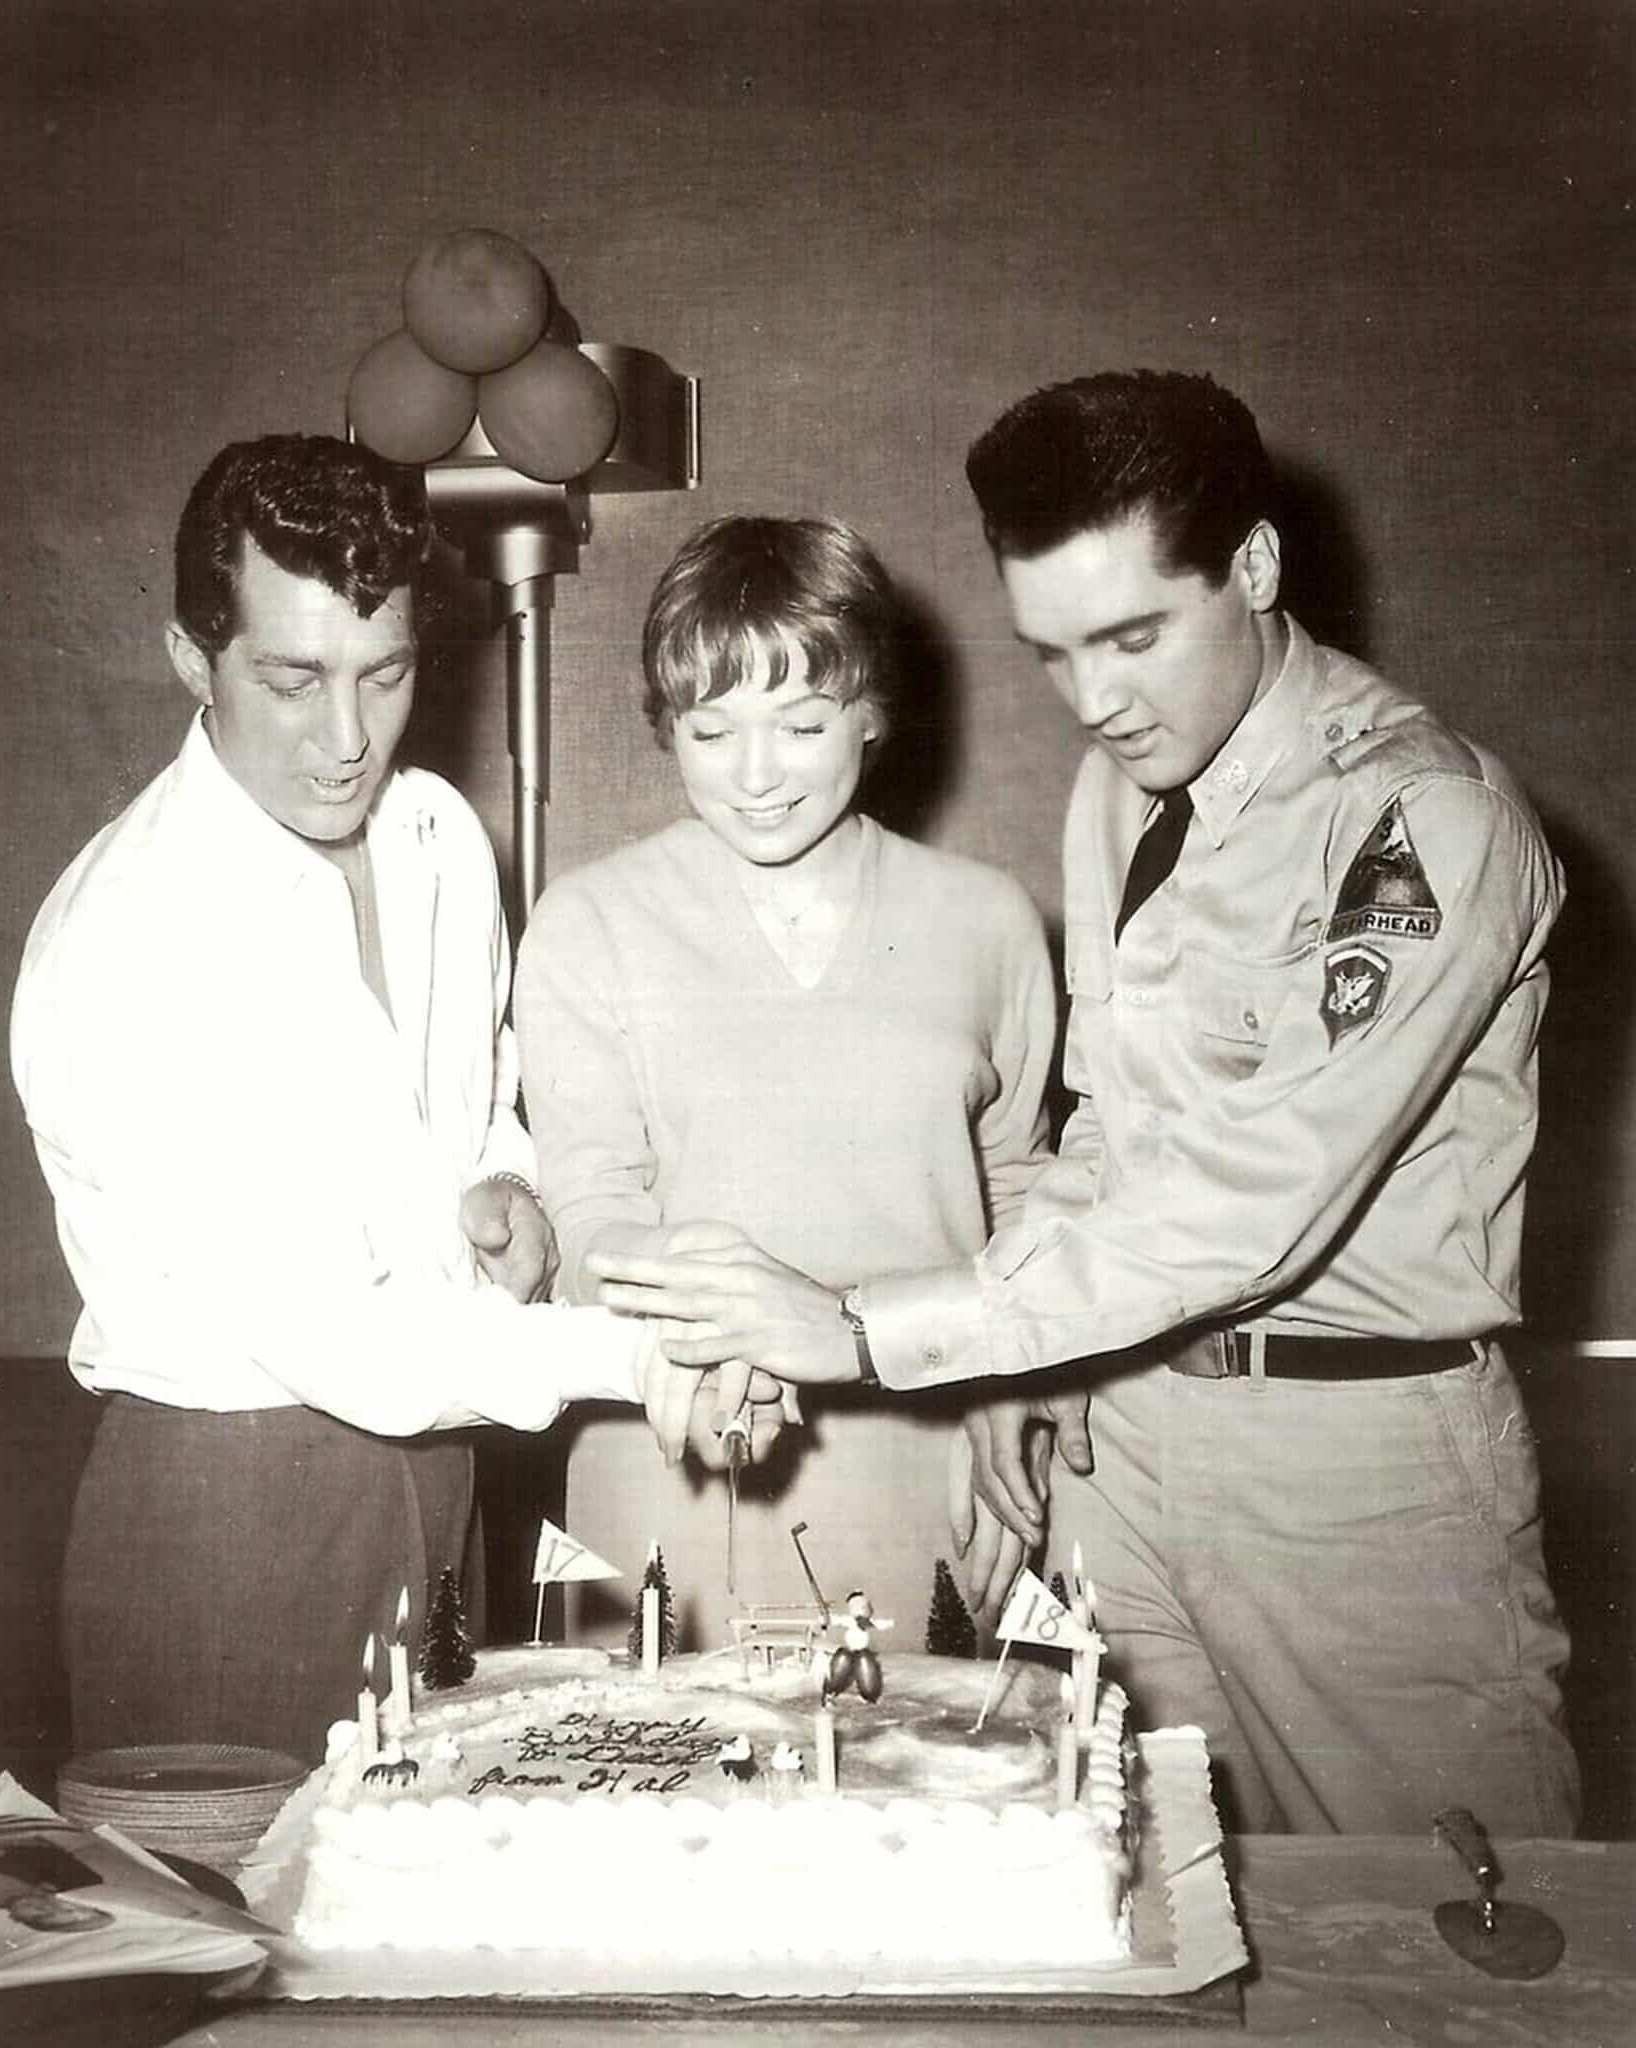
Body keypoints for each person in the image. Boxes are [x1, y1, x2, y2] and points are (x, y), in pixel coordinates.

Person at [587, 374, 1582, 1837]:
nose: (1097, 700)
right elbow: (1112, 1126)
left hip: (1351, 1471)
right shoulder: (1120, 795)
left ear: (1252, 567)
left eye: (1133, 637)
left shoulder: (1421, 824)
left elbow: (1252, 1197)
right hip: (1118, 1440)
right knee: (1135, 1899)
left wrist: (876, 1329)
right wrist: (1024, 1372)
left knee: (1438, 1940)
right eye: (1053, 654)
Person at [11, 434, 666, 1763]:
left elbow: (479, 1098)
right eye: (294, 681)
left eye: (387, 671)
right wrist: (646, 1354)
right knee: (233, 1948)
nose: (349, 739)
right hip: (224, 1521)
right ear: (192, 659)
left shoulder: (436, 839)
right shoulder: (129, 936)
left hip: (440, 1473)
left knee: (430, 1932)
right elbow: (341, 1340)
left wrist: (499, 1184)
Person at [512, 516, 1057, 1648]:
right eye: (712, 731)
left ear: (872, 712)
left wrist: (1014, 1392)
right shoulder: (589, 925)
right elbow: (593, 1204)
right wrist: (711, 1347)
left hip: (920, 1453)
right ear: (668, 726)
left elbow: (1018, 1191)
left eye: (802, 724)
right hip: (672, 1434)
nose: (756, 776)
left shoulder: (987, 920)